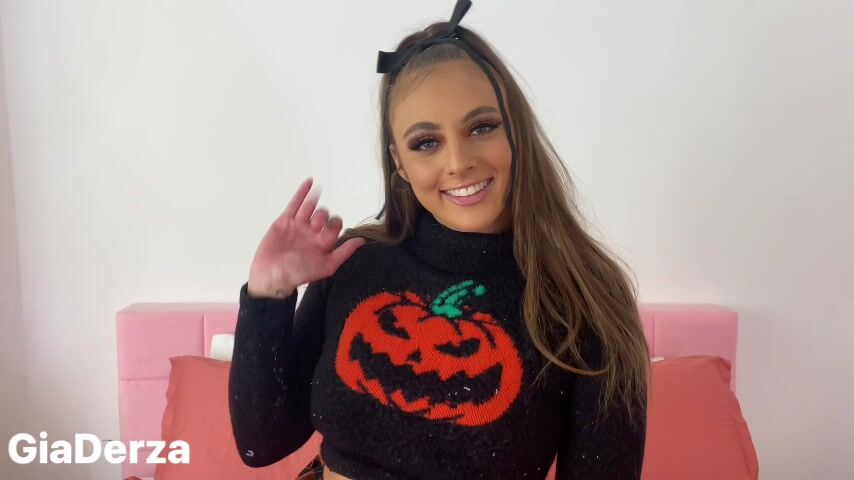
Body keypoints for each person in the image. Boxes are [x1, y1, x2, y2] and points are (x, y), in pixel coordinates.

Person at [228, 1, 650, 479]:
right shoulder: (354, 262)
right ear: (399, 162)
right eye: (426, 143)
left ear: (517, 131)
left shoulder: (586, 301)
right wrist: (268, 293)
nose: (458, 162)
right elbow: (261, 445)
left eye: (482, 127)